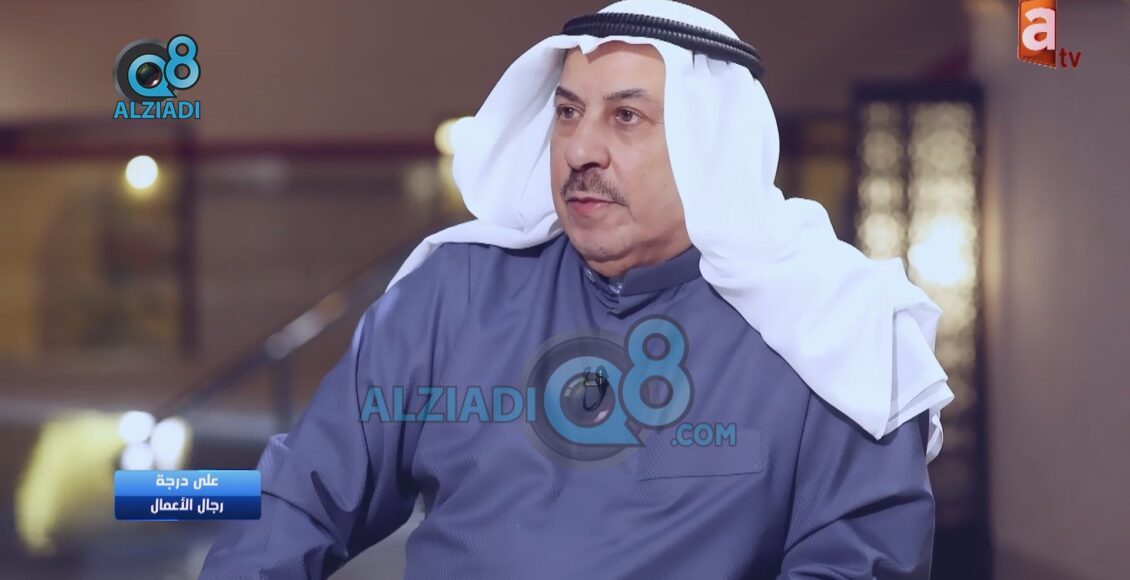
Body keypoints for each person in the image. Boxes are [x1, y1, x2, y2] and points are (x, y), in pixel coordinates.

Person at [199, 1, 955, 578]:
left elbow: (858, 563)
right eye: (568, 112)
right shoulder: (452, 293)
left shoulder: (835, 327)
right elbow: (296, 497)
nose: (581, 147)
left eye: (627, 117)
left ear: (711, 146)